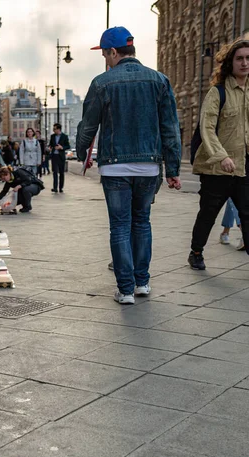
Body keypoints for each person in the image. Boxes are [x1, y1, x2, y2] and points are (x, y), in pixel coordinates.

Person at [76, 26, 181, 305]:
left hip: (114, 168)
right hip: (148, 166)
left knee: (120, 226)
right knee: (142, 222)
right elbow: (170, 128)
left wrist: (80, 150)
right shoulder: (159, 80)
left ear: (113, 52)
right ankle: (142, 283)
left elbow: (88, 124)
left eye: (105, 55)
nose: (106, 61)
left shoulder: (102, 83)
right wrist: (172, 169)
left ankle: (125, 290)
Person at [189, 39, 249, 270]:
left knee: (247, 214)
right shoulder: (218, 92)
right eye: (239, 58)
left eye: (248, 58)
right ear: (230, 63)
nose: (244, 63)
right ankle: (196, 252)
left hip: (245, 166)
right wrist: (222, 156)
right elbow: (206, 127)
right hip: (218, 167)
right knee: (208, 213)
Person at [49, 124, 70, 193]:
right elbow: (51, 144)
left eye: (55, 129)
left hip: (61, 156)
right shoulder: (52, 136)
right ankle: (55, 188)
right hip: (54, 156)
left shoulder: (64, 136)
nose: (53, 130)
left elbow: (68, 146)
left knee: (61, 172)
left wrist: (62, 147)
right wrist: (50, 147)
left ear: (59, 129)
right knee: (55, 172)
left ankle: (61, 187)